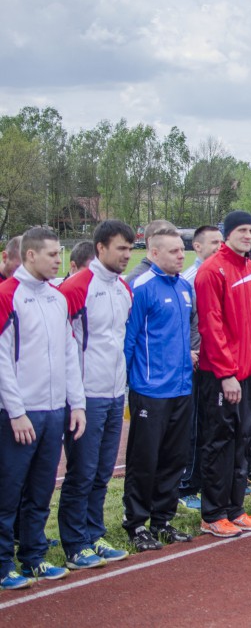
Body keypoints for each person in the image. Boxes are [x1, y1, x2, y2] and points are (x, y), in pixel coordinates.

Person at [0, 227, 86, 589]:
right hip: (20, 414)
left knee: (40, 490)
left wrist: (77, 404)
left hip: (54, 411)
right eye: (51, 255)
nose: (59, 261)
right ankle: (3, 565)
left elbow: (69, 352)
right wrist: (16, 410)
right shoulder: (8, 295)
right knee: (8, 492)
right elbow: (2, 357)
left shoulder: (56, 298)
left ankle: (33, 557)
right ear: (30, 255)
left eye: (60, 254)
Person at [194, 211, 251, 538]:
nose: (246, 235)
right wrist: (226, 374)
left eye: (250, 231)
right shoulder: (211, 271)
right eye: (240, 230)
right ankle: (212, 514)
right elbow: (211, 327)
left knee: (243, 442)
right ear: (226, 234)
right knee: (219, 443)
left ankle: (235, 508)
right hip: (221, 375)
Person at [57, 220, 135, 568]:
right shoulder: (76, 287)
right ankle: (74, 543)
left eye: (130, 249)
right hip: (85, 396)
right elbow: (59, 343)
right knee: (82, 472)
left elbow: (117, 342)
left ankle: (93, 533)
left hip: (116, 393)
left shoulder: (123, 288)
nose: (127, 255)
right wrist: (74, 397)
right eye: (121, 248)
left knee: (103, 472)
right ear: (100, 248)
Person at [122, 227, 196, 551]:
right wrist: (124, 383)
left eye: (183, 250)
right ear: (153, 253)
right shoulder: (140, 287)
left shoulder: (184, 288)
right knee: (144, 460)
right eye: (174, 251)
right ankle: (136, 524)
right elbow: (129, 339)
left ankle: (162, 520)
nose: (181, 255)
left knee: (174, 459)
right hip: (150, 390)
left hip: (181, 388)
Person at [177, 224, 224, 510]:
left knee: (208, 424)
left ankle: (201, 481)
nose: (220, 247)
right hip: (195, 361)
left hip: (210, 361)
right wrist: (191, 351)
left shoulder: (217, 273)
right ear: (197, 246)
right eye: (214, 243)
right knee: (193, 426)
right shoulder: (193, 277)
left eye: (222, 242)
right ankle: (187, 486)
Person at [125, 220, 176, 285]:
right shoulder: (136, 281)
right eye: (170, 240)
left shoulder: (175, 278)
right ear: (150, 242)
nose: (181, 256)